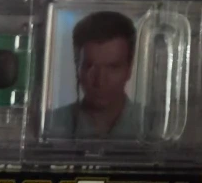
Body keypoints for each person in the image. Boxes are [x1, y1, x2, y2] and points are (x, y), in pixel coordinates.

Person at [45, 9, 143, 139]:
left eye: (113, 67)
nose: (100, 81)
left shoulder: (155, 125)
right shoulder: (49, 124)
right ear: (77, 67)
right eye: (89, 66)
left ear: (129, 68)